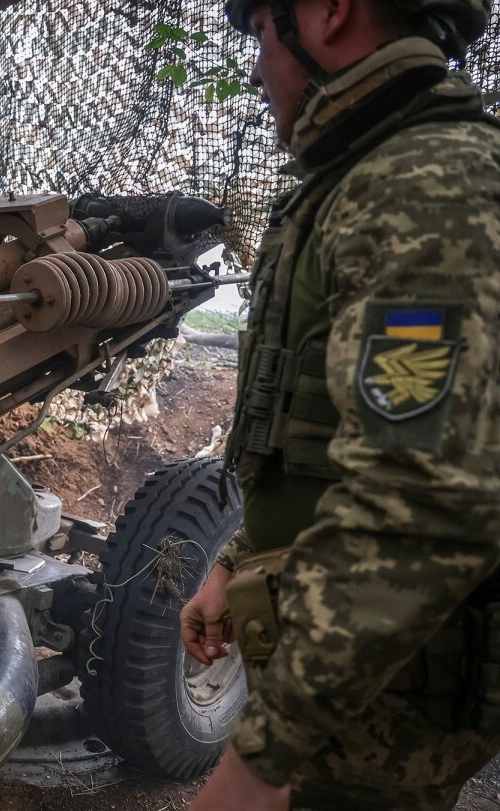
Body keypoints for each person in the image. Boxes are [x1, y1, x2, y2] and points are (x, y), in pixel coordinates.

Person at [178, 0, 499, 808]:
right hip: (350, 683)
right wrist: (237, 559)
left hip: (385, 705)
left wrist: (260, 761)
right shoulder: (363, 178)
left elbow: (417, 497)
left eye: (258, 32)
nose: (254, 67)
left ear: (326, 12)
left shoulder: (425, 189)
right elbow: (322, 436)